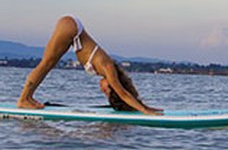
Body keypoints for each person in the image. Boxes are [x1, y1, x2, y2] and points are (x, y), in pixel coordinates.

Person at [17, 16, 162, 115]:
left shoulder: (106, 69)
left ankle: (28, 98)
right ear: (112, 85)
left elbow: (124, 93)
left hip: (72, 29)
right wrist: (144, 110)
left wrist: (144, 106)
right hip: (71, 29)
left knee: (47, 64)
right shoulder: (108, 68)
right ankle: (24, 99)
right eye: (106, 91)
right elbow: (123, 93)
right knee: (46, 64)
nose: (102, 89)